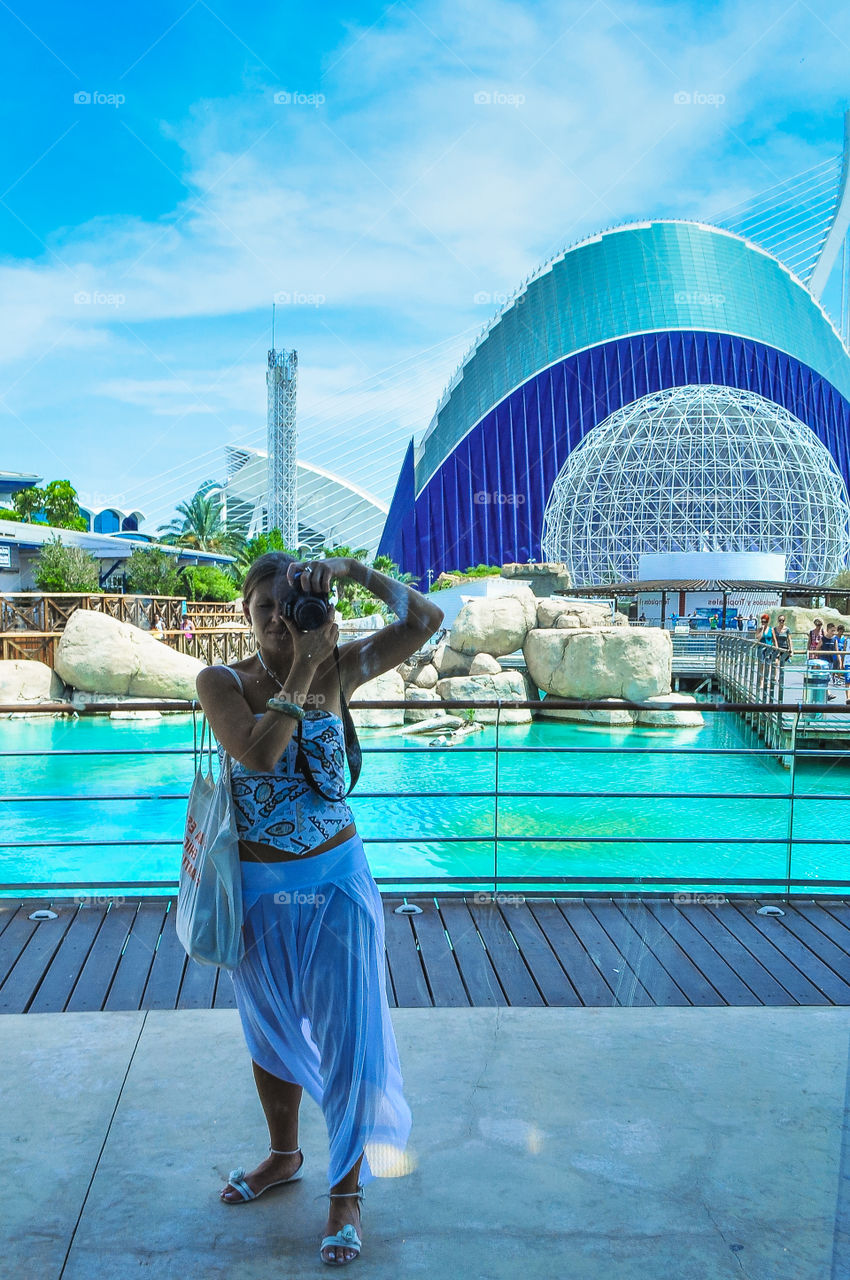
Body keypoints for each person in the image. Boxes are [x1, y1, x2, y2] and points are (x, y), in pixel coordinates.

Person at [195, 552, 444, 1266]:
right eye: (265, 607)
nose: (280, 618)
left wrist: (357, 574)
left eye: (292, 604)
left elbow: (426, 619)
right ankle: (284, 1156)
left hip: (335, 886)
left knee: (347, 1038)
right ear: (244, 613)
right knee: (267, 1033)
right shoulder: (223, 682)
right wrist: (304, 667)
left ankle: (345, 1193)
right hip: (258, 896)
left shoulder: (343, 668)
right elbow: (259, 754)